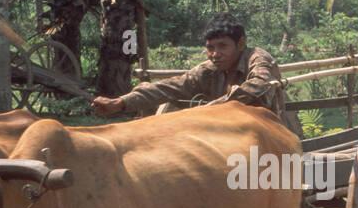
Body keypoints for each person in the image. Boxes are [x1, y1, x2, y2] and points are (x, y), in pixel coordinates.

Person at [92, 13, 301, 135]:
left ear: (241, 43)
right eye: (210, 47)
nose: (215, 54)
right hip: (233, 135)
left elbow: (258, 85)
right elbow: (170, 87)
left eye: (223, 46)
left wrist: (208, 111)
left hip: (276, 134)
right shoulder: (209, 69)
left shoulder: (257, 58)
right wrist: (120, 102)